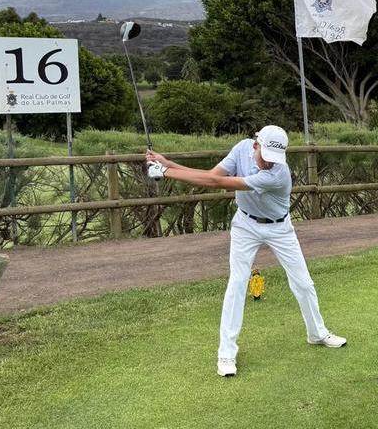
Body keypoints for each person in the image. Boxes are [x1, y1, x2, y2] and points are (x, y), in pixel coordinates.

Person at [145, 125, 345, 378]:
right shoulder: (241, 148)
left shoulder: (278, 175)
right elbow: (211, 175)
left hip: (280, 228)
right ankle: (226, 353)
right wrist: (167, 163)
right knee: (237, 283)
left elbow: (216, 183)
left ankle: (317, 333)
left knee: (303, 283)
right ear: (255, 145)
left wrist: (166, 171)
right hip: (245, 225)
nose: (269, 163)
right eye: (265, 156)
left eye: (275, 159)